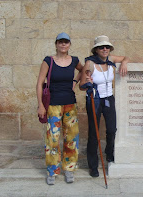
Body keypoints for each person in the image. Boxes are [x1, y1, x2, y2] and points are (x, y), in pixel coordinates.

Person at [36, 32, 83, 185]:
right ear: (56, 44)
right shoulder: (48, 61)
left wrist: (75, 81)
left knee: (71, 138)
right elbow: (39, 83)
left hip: (70, 103)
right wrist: (41, 105)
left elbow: (84, 69)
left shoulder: (74, 60)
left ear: (70, 44)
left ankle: (69, 169)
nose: (63, 44)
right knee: (52, 139)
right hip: (53, 105)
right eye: (60, 42)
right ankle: (52, 171)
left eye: (66, 42)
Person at [80, 35, 129, 177]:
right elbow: (81, 86)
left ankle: (109, 153)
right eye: (101, 47)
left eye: (107, 47)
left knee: (112, 129)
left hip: (109, 98)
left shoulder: (111, 60)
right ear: (96, 50)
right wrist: (88, 83)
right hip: (94, 99)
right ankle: (93, 165)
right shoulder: (89, 63)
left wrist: (124, 64)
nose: (105, 49)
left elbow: (126, 57)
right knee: (94, 133)